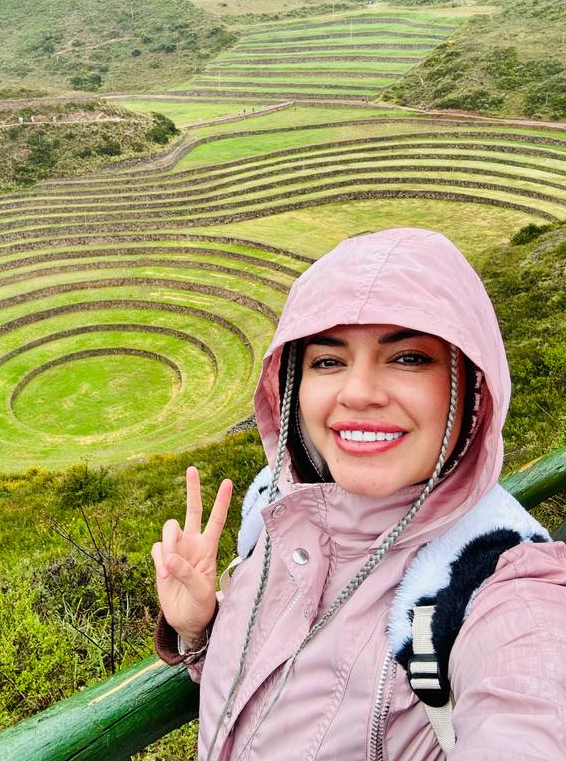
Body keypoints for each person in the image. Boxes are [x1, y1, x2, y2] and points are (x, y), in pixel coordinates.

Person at [151, 227, 566, 759]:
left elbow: (531, 716)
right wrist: (199, 630)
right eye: (328, 361)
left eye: (409, 357)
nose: (359, 392)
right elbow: (281, 699)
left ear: (472, 389)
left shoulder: (505, 592)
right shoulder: (276, 511)